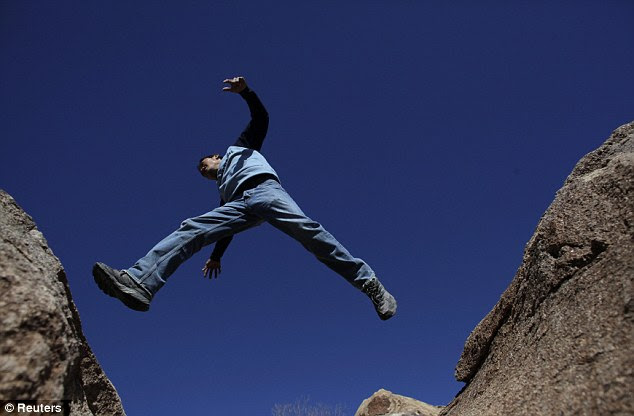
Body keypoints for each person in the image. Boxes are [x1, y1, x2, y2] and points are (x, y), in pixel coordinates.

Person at [93, 76, 397, 320]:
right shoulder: (223, 189)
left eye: (205, 165)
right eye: (201, 172)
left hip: (266, 190)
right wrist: (216, 256)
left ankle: (369, 283)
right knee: (192, 228)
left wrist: (246, 92)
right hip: (239, 204)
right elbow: (226, 229)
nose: (204, 171)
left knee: (309, 233)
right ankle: (139, 281)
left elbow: (261, 118)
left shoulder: (239, 149)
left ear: (215, 156)